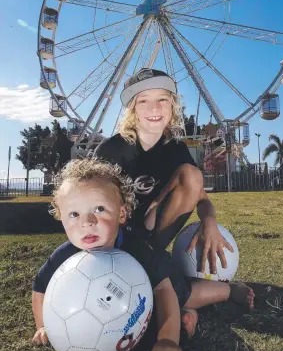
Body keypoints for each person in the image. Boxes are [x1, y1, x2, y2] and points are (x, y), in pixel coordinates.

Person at [31, 159, 254, 351]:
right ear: (60, 217)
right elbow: (40, 287)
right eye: (74, 214)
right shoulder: (66, 256)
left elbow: (164, 291)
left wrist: (167, 340)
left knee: (186, 295)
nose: (87, 221)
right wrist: (43, 325)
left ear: (121, 214)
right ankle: (187, 316)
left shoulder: (137, 248)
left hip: (162, 284)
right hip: (126, 303)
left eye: (99, 209)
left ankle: (229, 290)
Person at [95, 68, 254, 333]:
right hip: (115, 239)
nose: (154, 108)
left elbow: (200, 196)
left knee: (192, 175)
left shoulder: (175, 149)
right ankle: (221, 294)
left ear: (173, 106)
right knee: (159, 287)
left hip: (152, 236)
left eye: (162, 99)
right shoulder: (112, 149)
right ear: (132, 108)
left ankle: (190, 287)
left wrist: (210, 221)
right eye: (143, 100)